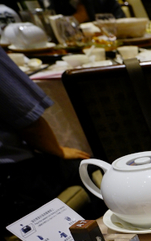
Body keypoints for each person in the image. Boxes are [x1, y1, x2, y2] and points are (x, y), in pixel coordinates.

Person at [0, 48, 93, 227]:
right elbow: (30, 123)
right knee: (88, 166)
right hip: (11, 184)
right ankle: (100, 239)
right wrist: (58, 150)